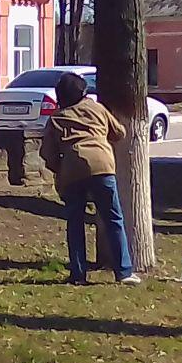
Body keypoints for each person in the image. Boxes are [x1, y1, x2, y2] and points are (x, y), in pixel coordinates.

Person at [38, 72, 140, 286]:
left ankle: (78, 274)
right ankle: (124, 272)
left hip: (72, 169)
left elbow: (47, 153)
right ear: (83, 93)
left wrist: (59, 168)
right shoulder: (97, 108)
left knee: (75, 222)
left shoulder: (57, 118)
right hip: (102, 165)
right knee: (113, 219)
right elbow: (119, 132)